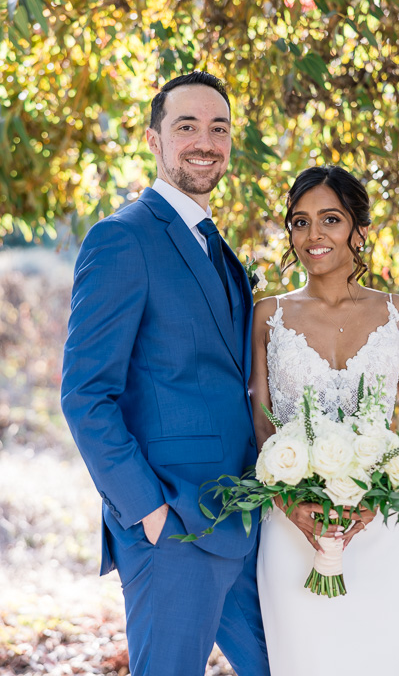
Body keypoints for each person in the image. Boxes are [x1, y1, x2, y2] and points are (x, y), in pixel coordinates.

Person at [61, 71, 270, 676]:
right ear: (154, 139)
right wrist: (147, 511)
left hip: (241, 518)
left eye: (218, 128)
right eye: (186, 127)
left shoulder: (218, 246)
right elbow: (85, 395)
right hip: (173, 526)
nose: (205, 142)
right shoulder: (122, 239)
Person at [250, 165, 399, 675]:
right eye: (300, 222)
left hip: (382, 528)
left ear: (360, 230)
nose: (313, 235)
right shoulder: (268, 315)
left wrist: (375, 503)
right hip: (292, 526)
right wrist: (291, 501)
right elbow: (262, 427)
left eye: (330, 219)